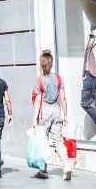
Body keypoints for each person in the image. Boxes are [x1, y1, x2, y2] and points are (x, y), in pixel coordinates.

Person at [30, 50, 73, 181]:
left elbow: (37, 100)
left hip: (44, 112)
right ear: (52, 63)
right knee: (58, 140)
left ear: (41, 65)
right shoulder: (58, 78)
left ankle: (43, 169)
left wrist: (34, 119)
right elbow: (63, 98)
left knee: (44, 141)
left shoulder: (40, 80)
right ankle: (66, 166)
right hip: (57, 111)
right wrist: (65, 115)